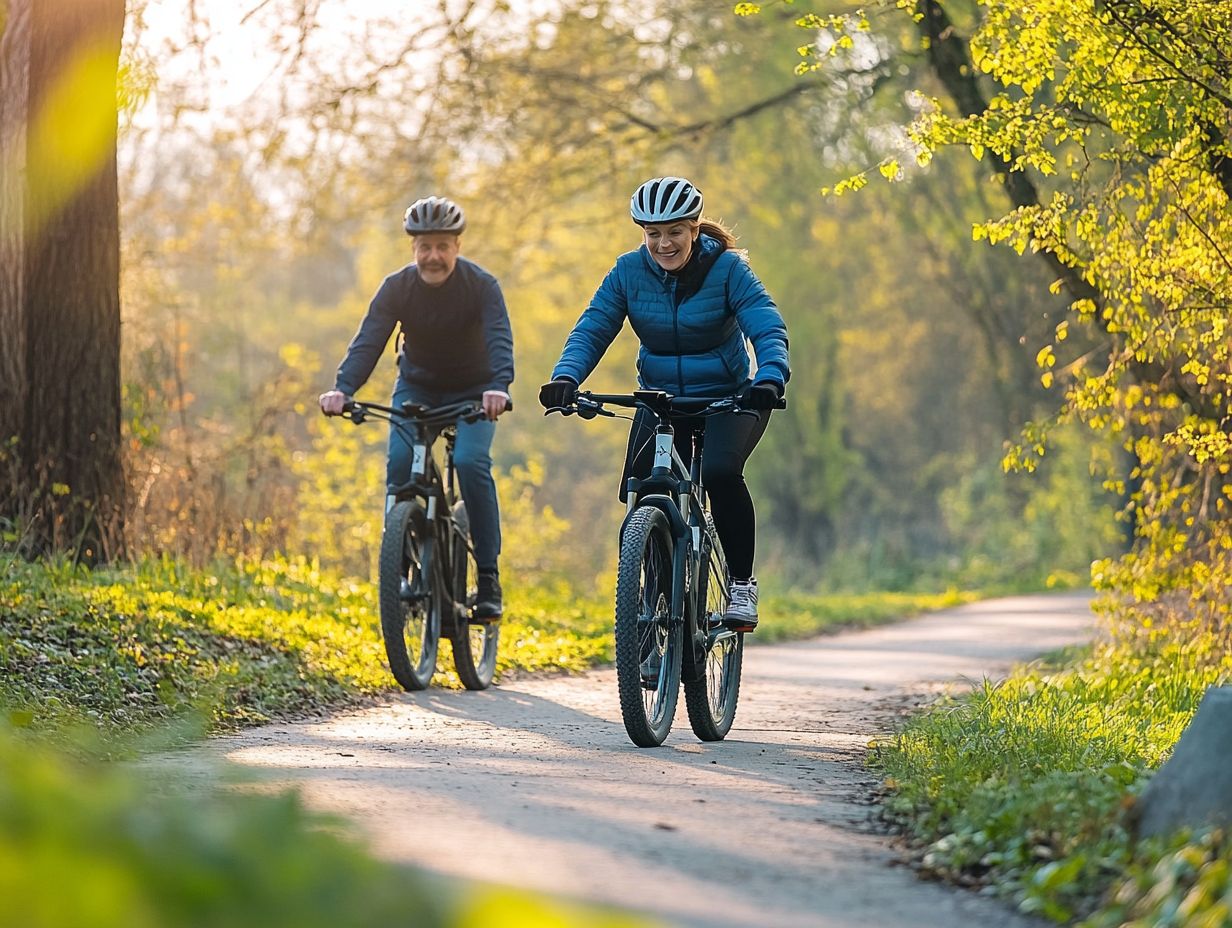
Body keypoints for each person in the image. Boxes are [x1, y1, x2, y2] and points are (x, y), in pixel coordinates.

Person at [538, 176, 789, 631]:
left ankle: (741, 583)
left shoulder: (728, 271)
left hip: (730, 399)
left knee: (718, 473)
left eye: (674, 231)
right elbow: (593, 327)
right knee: (641, 487)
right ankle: (650, 624)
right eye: (653, 234)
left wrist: (769, 377)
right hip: (662, 400)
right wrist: (566, 377)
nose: (663, 243)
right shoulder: (628, 272)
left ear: (694, 229)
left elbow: (766, 326)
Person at [320, 195, 513, 619]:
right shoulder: (397, 288)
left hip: (475, 392)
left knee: (470, 462)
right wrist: (342, 389)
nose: (433, 256)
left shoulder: (481, 286)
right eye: (425, 247)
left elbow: (499, 337)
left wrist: (499, 386)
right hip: (417, 388)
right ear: (413, 249)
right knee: (400, 463)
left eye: (442, 246)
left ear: (457, 248)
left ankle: (487, 578)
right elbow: (369, 340)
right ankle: (401, 572)